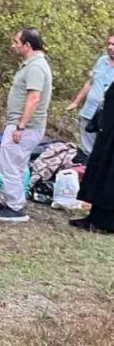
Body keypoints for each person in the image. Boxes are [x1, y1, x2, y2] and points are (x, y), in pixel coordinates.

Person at [0, 28, 53, 223]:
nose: (13, 45)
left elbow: (34, 97)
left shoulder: (36, 67)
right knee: (12, 163)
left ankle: (15, 207)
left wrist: (21, 126)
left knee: (10, 165)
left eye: (16, 42)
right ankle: (8, 202)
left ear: (27, 45)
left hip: (25, 127)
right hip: (22, 125)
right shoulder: (32, 65)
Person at [71, 79, 114, 233]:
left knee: (110, 177)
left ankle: (107, 222)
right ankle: (94, 217)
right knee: (100, 171)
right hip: (107, 132)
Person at [66, 32, 114, 155]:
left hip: (106, 116)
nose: (110, 47)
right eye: (108, 44)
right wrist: (76, 102)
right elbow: (90, 82)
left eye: (113, 45)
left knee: (102, 150)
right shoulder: (102, 60)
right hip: (88, 111)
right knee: (87, 148)